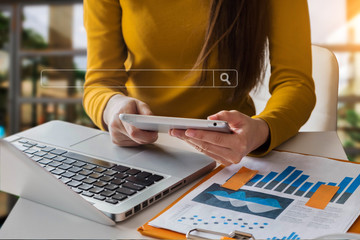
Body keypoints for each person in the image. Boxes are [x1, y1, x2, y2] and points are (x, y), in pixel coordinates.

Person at [83, 0, 316, 166]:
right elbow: (100, 82)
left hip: (234, 153)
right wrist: (112, 107)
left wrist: (261, 129)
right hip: (139, 150)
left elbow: (295, 82)